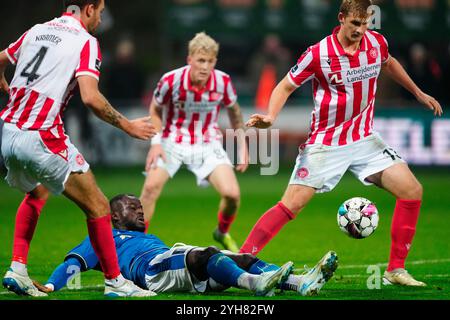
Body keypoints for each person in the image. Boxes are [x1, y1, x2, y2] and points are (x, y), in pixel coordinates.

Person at [241, 0, 443, 287]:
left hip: (364, 139)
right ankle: (240, 261)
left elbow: (388, 63)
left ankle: (395, 270)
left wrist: (418, 92)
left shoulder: (376, 43)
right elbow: (286, 85)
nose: (361, 30)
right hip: (326, 143)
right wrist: (272, 116)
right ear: (341, 19)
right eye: (355, 24)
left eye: (366, 23)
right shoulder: (318, 53)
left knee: (412, 190)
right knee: (292, 205)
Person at [0, 0, 157, 297]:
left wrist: (1, 79)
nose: (100, 18)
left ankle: (17, 268)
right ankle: (116, 281)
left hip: (8, 132)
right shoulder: (86, 42)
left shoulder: (37, 30)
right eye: (99, 11)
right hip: (40, 134)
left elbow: (1, 58)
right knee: (98, 205)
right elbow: (91, 98)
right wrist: (129, 126)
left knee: (36, 192)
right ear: (88, 8)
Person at [32, 194, 338, 297]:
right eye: (131, 207)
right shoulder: (106, 237)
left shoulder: (145, 236)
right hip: (151, 271)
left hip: (172, 261)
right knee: (205, 255)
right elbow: (73, 263)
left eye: (140, 206)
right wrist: (50, 285)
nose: (139, 209)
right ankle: (257, 284)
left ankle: (301, 282)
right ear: (113, 216)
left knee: (240, 257)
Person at [140, 32, 249, 252]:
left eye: (209, 61)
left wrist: (243, 146)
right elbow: (154, 109)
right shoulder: (170, 80)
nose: (205, 66)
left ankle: (222, 232)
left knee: (232, 195)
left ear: (215, 62)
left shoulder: (223, 82)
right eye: (200, 60)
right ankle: (135, 243)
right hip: (172, 139)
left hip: (207, 142)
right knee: (150, 188)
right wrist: (156, 143)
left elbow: (235, 113)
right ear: (189, 59)